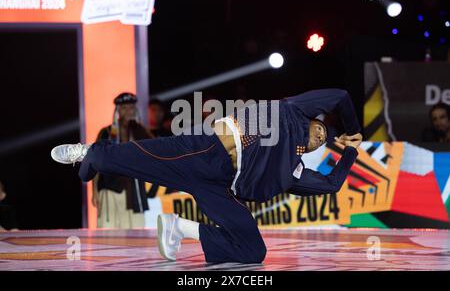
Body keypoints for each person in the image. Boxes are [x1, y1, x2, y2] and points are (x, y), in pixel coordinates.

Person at [51, 89, 362, 263]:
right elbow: (341, 97)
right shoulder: (294, 110)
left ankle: (179, 227)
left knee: (254, 250)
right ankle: (87, 152)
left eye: (322, 141)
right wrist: (353, 130)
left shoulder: (294, 171)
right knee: (143, 158)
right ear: (312, 121)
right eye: (319, 130)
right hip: (207, 153)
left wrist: (350, 152)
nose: (319, 137)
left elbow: (332, 184)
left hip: (221, 188)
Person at [91, 92, 152, 229]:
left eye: (131, 107)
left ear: (135, 109)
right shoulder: (107, 132)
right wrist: (94, 191)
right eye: (124, 108)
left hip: (133, 190)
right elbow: (95, 161)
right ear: (117, 110)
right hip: (110, 189)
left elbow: (153, 154)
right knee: (108, 234)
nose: (128, 111)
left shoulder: (140, 131)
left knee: (135, 235)